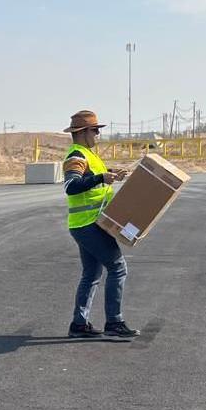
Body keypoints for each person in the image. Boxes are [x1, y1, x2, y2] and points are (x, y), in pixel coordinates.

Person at [62, 110, 139, 339]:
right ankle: (114, 322)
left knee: (92, 273)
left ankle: (79, 324)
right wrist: (101, 178)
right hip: (89, 225)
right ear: (83, 132)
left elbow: (92, 180)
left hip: (86, 224)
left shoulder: (88, 155)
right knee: (118, 268)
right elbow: (71, 186)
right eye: (95, 130)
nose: (98, 134)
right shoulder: (77, 156)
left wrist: (108, 174)